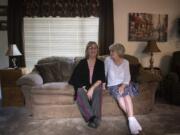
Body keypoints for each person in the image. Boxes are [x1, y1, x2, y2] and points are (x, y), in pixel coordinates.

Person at [104, 43, 142, 135]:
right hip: (112, 85)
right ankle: (132, 119)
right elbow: (104, 73)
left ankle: (131, 120)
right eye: (111, 51)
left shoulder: (126, 62)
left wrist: (123, 86)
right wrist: (103, 83)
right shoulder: (108, 60)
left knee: (126, 95)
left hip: (124, 83)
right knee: (120, 96)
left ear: (119, 52)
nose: (110, 53)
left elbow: (127, 77)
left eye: (113, 51)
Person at [69, 41, 105, 128]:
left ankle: (94, 119)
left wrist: (91, 89)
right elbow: (75, 77)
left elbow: (101, 78)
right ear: (87, 50)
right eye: (90, 47)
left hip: (95, 86)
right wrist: (83, 87)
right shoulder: (82, 62)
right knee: (79, 90)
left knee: (98, 88)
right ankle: (93, 118)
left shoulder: (101, 63)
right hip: (84, 86)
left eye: (95, 47)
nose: (93, 49)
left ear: (97, 50)